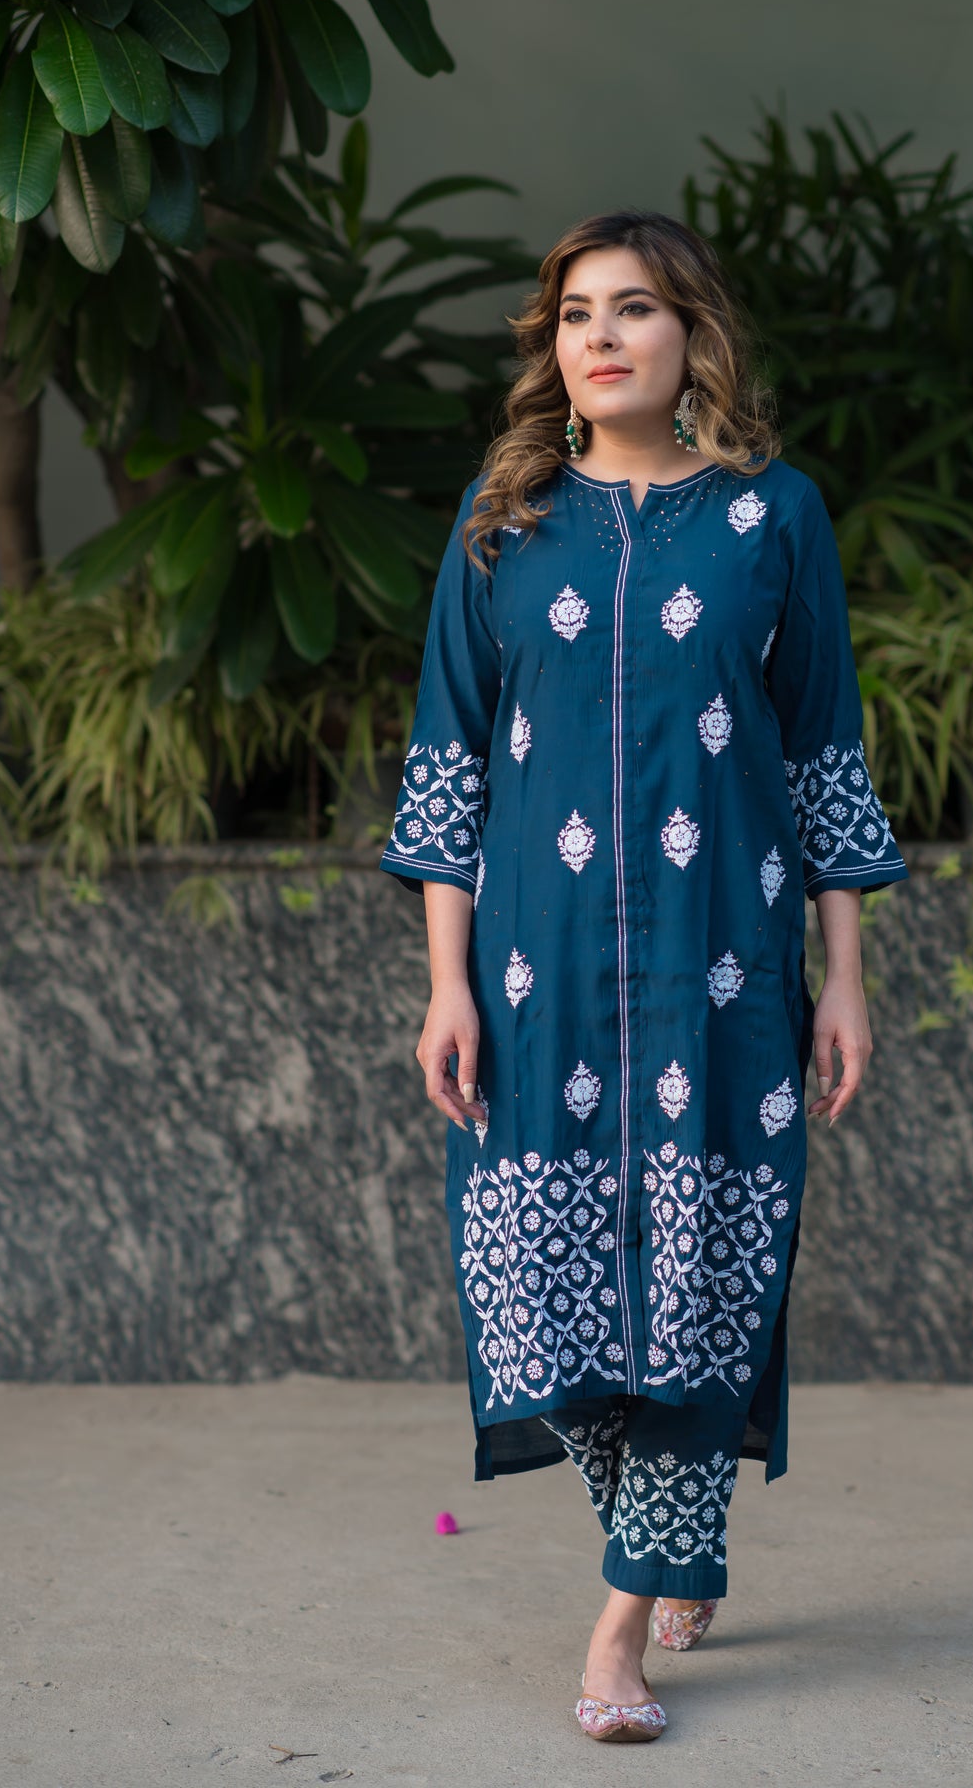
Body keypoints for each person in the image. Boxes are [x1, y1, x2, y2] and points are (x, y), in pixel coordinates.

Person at [377, 209, 909, 1742]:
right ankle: (669, 1535)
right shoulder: (502, 517)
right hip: (533, 978)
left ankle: (622, 1623)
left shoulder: (771, 516)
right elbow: (449, 760)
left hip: (719, 968)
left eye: (632, 309)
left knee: (697, 1290)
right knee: (537, 1306)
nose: (598, 337)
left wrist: (843, 976)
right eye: (572, 315)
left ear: (693, 336)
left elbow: (819, 748)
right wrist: (445, 983)